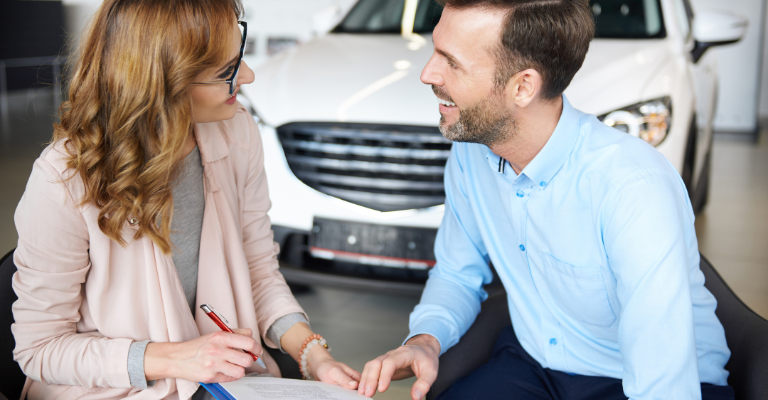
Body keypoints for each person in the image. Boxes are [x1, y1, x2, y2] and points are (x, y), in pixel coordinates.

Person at [358, 1, 733, 399]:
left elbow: (663, 377)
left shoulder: (632, 186)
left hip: (638, 380)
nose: (427, 73)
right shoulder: (471, 156)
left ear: (523, 87)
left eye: (451, 62)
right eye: (435, 51)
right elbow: (457, 273)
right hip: (536, 364)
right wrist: (425, 341)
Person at [10, 0, 360, 399]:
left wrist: (313, 355)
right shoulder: (62, 179)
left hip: (218, 382)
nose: (247, 76)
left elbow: (259, 272)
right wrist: (175, 359)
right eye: (226, 72)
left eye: (239, 59)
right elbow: (40, 349)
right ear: (163, 83)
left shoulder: (238, 132)